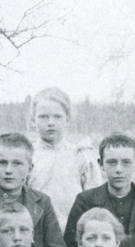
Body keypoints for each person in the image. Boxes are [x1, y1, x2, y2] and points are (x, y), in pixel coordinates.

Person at [26, 87, 102, 228]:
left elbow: (95, 200)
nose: (50, 122)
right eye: (43, 117)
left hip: (73, 232)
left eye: (57, 116)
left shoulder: (80, 155)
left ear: (67, 120)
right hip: (36, 231)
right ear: (33, 120)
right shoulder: (27, 156)